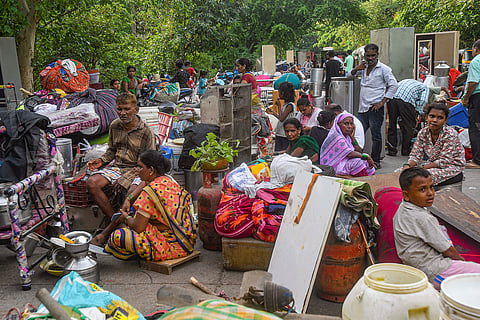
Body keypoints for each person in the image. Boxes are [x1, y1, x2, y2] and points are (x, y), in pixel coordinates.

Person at [96, 150, 196, 261]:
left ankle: (146, 252)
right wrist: (128, 200)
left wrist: (125, 218)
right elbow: (144, 183)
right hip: (187, 240)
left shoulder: (148, 194)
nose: (138, 171)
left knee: (118, 236)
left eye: (140, 167)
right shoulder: (168, 180)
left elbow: (138, 227)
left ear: (151, 170)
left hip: (172, 246)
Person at [393, 167, 480, 290]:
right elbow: (448, 251)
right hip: (434, 270)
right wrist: (463, 262)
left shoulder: (403, 208)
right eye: (422, 189)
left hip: (418, 264)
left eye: (432, 187)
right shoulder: (423, 218)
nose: (430, 193)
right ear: (406, 195)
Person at [86, 92, 156, 222]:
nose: (123, 113)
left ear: (136, 110)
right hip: (118, 168)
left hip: (138, 172)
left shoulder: (146, 132)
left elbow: (148, 164)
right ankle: (115, 220)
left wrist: (127, 178)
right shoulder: (115, 126)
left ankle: (116, 223)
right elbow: (111, 151)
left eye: (127, 109)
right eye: (120, 109)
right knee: (92, 182)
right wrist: (101, 161)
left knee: (132, 193)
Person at [348, 43, 398, 168]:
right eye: (367, 56)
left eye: (372, 56)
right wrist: (356, 69)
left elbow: (394, 85)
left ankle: (376, 161)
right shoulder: (363, 67)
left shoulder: (384, 69)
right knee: (356, 132)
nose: (370, 58)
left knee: (376, 136)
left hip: (375, 108)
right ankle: (353, 156)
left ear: (377, 55)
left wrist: (382, 102)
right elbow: (348, 75)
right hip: (362, 107)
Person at [401, 102, 465, 187]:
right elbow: (416, 155)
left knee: (419, 177)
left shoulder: (450, 134)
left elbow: (444, 161)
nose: (435, 120)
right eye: (432, 116)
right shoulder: (423, 133)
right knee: (400, 173)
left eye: (440, 118)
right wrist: (408, 166)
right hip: (431, 165)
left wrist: (420, 168)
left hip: (451, 167)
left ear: (445, 120)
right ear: (426, 117)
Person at [462, 39, 480, 168]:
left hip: (477, 98)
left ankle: (477, 161)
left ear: (476, 49)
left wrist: (466, 98)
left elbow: (473, 82)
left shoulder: (476, 61)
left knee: (475, 128)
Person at [266, 81, 296, 152]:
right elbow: (281, 117)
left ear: (283, 93)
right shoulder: (286, 104)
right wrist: (273, 113)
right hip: (280, 133)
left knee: (282, 152)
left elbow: (282, 118)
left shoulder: (290, 106)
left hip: (284, 134)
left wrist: (279, 106)